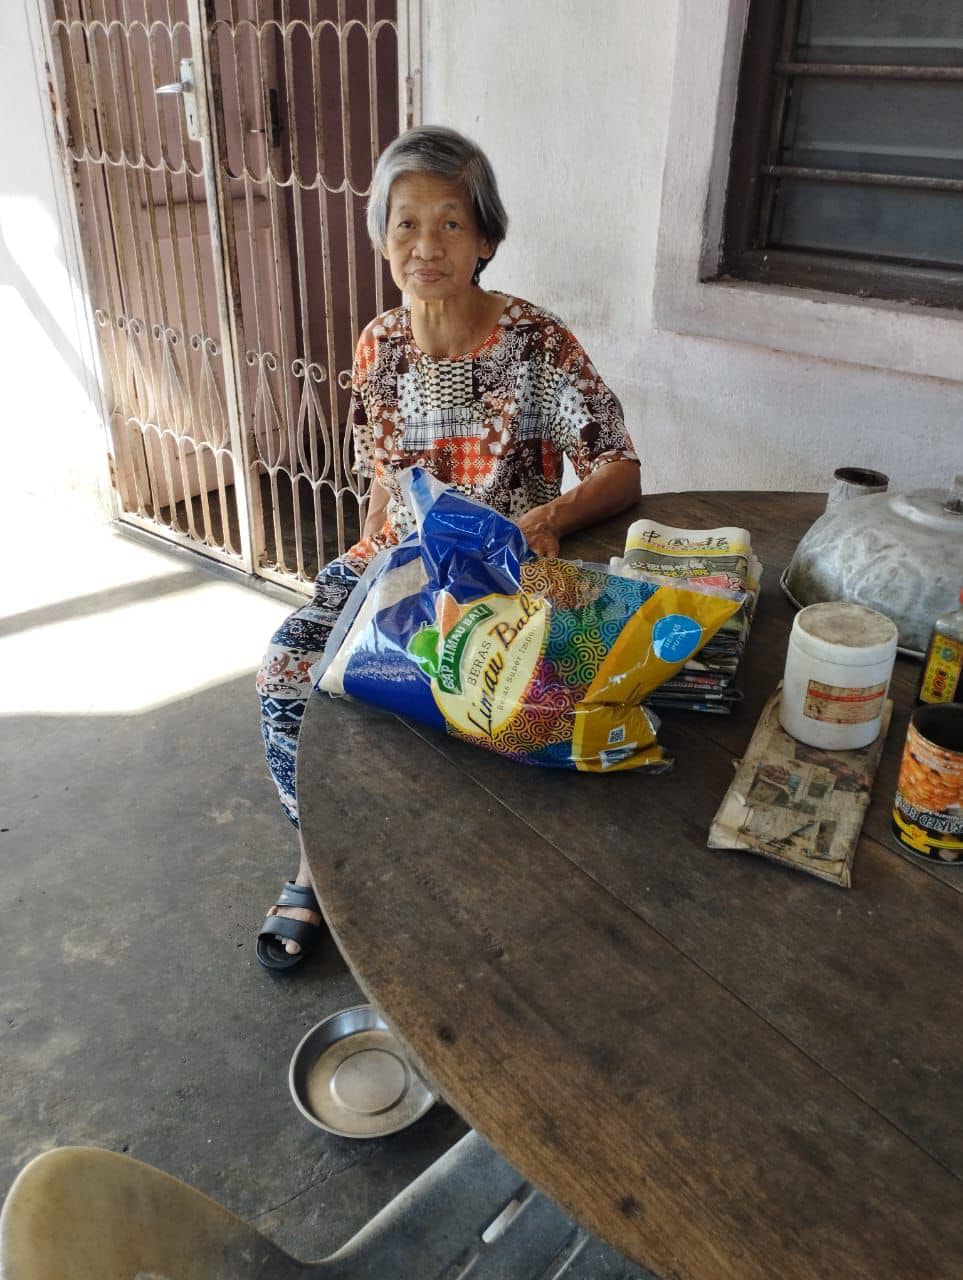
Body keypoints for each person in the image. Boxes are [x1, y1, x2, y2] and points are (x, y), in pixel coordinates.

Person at [255, 125, 641, 970]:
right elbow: (381, 472)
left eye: (450, 224)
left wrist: (552, 516)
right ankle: (317, 858)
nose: (425, 245)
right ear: (382, 240)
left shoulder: (535, 342)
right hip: (399, 567)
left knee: (500, 711)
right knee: (287, 667)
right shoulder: (378, 343)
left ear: (485, 241)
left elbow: (619, 467)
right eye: (406, 224)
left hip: (506, 574)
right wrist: (365, 544)